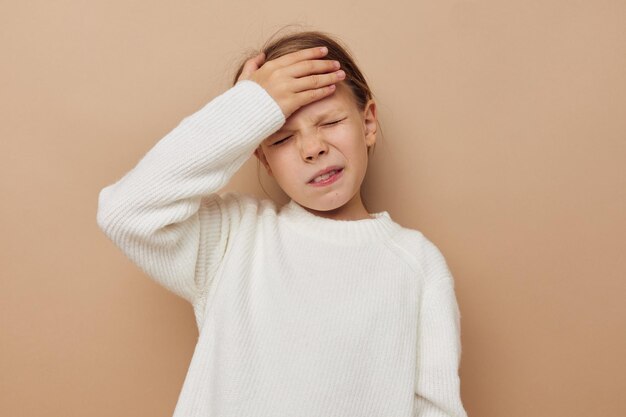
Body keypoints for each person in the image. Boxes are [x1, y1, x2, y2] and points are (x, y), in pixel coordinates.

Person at [97, 29, 468, 417]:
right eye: (281, 138)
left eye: (329, 122)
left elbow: (436, 409)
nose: (313, 148)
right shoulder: (233, 239)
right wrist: (247, 108)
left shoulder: (417, 264)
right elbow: (125, 213)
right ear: (261, 158)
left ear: (368, 122)